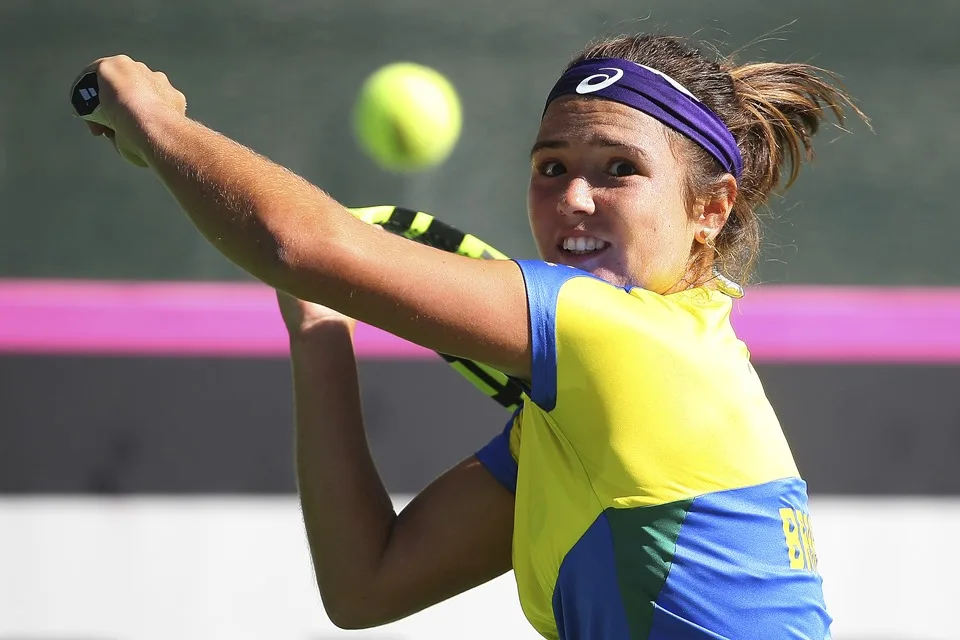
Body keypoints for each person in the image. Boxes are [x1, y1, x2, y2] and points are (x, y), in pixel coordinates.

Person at [76, 32, 867, 639]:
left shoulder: (620, 337)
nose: (575, 199)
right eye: (551, 167)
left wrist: (151, 120)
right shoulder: (583, 414)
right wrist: (319, 327)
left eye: (618, 169)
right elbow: (367, 585)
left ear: (711, 209)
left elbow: (299, 243)